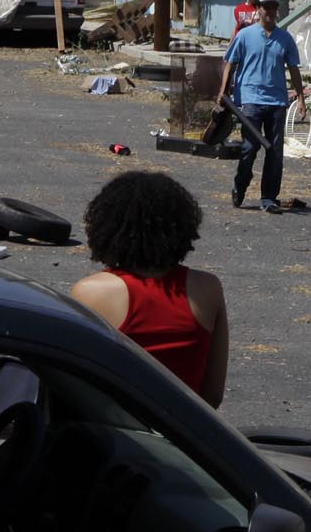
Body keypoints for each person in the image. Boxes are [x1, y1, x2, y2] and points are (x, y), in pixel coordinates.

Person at [69, 171, 229, 407]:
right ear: (183, 228)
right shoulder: (207, 288)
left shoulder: (91, 292)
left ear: (107, 229)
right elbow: (212, 396)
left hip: (116, 435)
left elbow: (73, 386)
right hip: (184, 435)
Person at [214, 0, 303, 214]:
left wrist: (301, 98)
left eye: (274, 7)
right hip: (250, 102)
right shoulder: (245, 36)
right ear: (259, 9)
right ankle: (240, 184)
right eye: (266, 7)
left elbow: (293, 70)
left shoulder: (285, 39)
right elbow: (230, 64)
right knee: (249, 148)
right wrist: (223, 92)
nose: (270, 11)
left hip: (277, 103)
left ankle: (269, 198)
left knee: (274, 152)